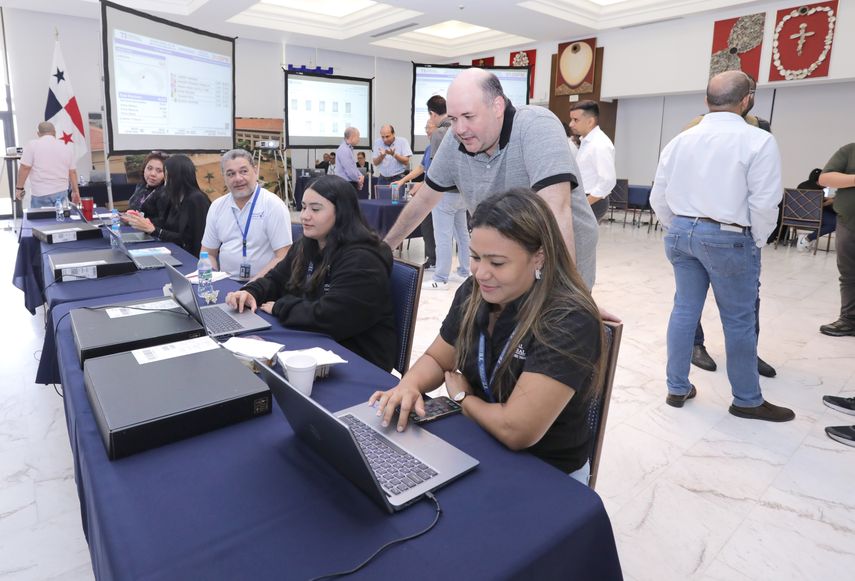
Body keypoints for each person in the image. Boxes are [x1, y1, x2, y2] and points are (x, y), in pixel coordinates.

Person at [369, 189, 604, 483]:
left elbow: (516, 430)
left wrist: (462, 398)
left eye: (497, 263)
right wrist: (409, 384)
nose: (480, 273)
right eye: (475, 257)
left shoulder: (568, 319)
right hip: (479, 440)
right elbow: (437, 357)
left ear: (539, 258)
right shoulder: (474, 292)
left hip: (545, 471)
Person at [650, 70, 794, 422]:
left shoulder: (679, 140)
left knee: (684, 311)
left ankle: (677, 386)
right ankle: (746, 400)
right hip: (730, 236)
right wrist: (757, 239)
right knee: (739, 321)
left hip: (681, 234)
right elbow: (765, 202)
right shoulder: (758, 140)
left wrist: (679, 227)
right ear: (747, 101)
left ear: (706, 101)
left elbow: (658, 195)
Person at [383, 68, 599, 290]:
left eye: (468, 116)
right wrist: (385, 249)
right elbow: (424, 199)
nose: (459, 129)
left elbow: (556, 210)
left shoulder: (537, 125)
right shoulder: (455, 139)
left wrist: (567, 295)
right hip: (504, 258)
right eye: (454, 119)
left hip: (561, 257)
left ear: (497, 107)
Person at [226, 175, 396, 371]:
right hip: (317, 340)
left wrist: (280, 307)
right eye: (304, 207)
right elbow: (276, 279)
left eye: (315, 209)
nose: (305, 215)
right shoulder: (308, 243)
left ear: (341, 213)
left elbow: (333, 317)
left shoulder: (363, 259)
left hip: (358, 357)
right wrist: (251, 292)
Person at [687, 74, 776, 379]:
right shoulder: (697, 127)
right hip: (699, 223)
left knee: (750, 297)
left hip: (741, 228)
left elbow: (763, 188)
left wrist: (759, 237)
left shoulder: (760, 128)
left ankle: (748, 353)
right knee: (691, 296)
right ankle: (694, 345)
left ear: (748, 97)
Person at [200, 149, 292, 280]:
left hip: (264, 284)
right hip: (227, 282)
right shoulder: (217, 206)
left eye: (244, 171)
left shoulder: (273, 205)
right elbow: (208, 253)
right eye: (230, 174)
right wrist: (210, 280)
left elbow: (283, 256)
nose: (238, 178)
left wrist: (251, 287)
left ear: (255, 171)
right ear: (224, 178)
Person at [422, 94, 470, 290]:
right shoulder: (460, 128)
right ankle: (465, 271)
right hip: (462, 192)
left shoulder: (439, 134)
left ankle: (441, 277)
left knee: (442, 235)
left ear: (433, 114)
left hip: (444, 193)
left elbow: (436, 168)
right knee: (462, 234)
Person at [124, 154, 211, 257]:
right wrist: (144, 222)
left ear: (176, 176)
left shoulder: (197, 200)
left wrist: (154, 230)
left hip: (190, 258)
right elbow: (166, 225)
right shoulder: (176, 197)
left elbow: (192, 241)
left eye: (166, 174)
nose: (165, 179)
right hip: (172, 251)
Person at [818, 143, 855, 338]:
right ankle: (848, 320)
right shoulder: (849, 151)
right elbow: (825, 177)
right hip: (849, 221)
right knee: (848, 274)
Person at [392, 119, 438, 272]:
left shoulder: (442, 146)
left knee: (441, 230)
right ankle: (431, 259)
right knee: (426, 226)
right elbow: (421, 168)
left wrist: (423, 184)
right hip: (427, 195)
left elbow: (439, 174)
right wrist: (403, 180)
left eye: (428, 127)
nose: (426, 130)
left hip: (440, 195)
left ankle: (438, 263)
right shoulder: (428, 148)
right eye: (425, 127)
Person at [569, 100, 616, 223]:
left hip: (592, 200)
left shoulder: (600, 144)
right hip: (583, 198)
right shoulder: (587, 142)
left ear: (590, 121)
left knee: (580, 240)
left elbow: (607, 181)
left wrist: (586, 203)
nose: (570, 124)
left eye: (575, 120)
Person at [15, 121, 80, 208]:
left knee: (42, 221)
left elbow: (25, 168)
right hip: (61, 192)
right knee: (60, 220)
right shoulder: (66, 147)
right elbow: (72, 172)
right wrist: (76, 192)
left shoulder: (32, 145)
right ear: (55, 133)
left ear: (38, 133)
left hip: (40, 194)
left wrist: (19, 188)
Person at [796, 168, 837, 252]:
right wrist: (830, 202)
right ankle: (807, 239)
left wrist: (826, 199)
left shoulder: (803, 185)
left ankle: (810, 237)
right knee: (835, 222)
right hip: (813, 216)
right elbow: (816, 206)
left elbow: (809, 202)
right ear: (820, 180)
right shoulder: (818, 191)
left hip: (798, 216)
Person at [125, 151, 167, 220]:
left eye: (159, 171)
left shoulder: (165, 193)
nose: (153, 174)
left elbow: (162, 222)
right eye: (149, 168)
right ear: (144, 169)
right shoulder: (141, 186)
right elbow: (132, 208)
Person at [334, 127, 364, 193]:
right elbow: (350, 171)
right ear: (352, 137)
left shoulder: (348, 148)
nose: (359, 139)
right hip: (345, 185)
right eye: (358, 136)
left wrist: (361, 175)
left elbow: (353, 167)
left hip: (347, 184)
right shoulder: (344, 150)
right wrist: (359, 179)